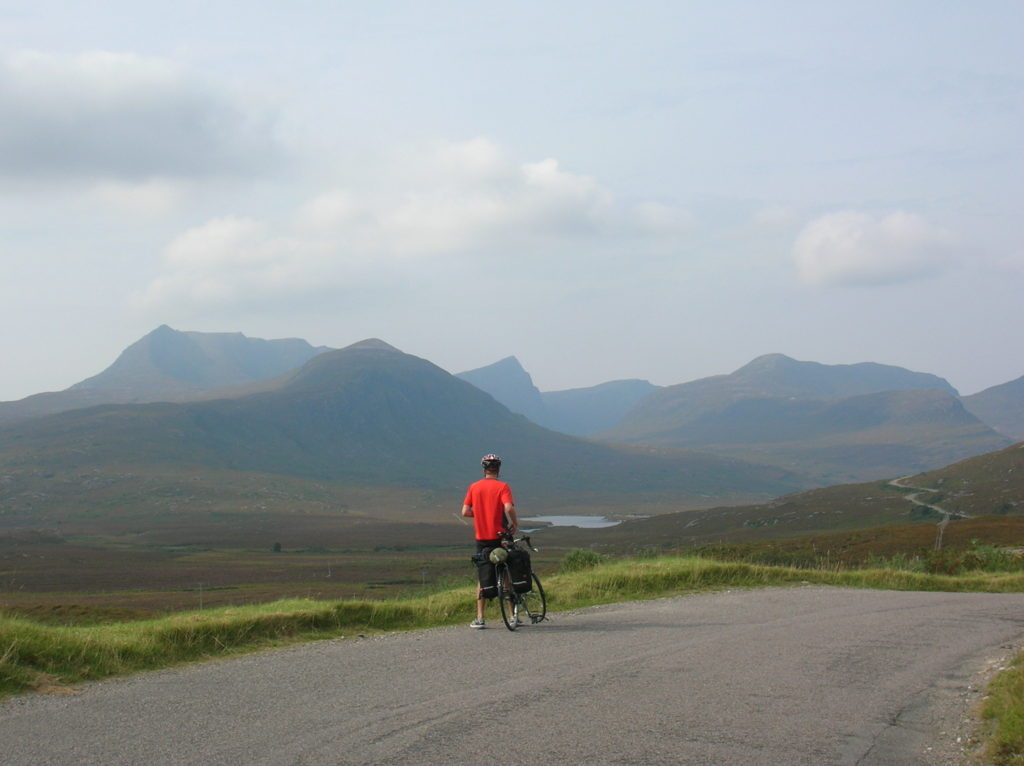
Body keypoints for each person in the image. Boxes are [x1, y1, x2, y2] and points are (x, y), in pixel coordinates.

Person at [461, 453, 518, 629]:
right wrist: (514, 523)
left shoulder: (474, 487)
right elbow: (508, 507)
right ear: (498, 469)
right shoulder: (503, 487)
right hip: (500, 537)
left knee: (483, 575)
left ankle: (480, 618)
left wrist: (481, 514)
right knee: (506, 575)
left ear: (483, 469)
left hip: (482, 539)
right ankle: (512, 617)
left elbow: (464, 512)